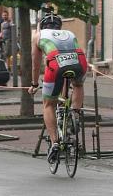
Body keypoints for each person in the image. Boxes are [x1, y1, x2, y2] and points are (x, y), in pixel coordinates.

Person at [28, 13, 87, 164]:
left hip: (55, 64)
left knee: (49, 104)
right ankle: (75, 115)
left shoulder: (38, 35)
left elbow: (35, 64)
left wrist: (34, 84)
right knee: (78, 85)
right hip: (79, 61)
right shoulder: (69, 33)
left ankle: (55, 142)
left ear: (42, 26)